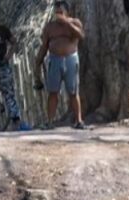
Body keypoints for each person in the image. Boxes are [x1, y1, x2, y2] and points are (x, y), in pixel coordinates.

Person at [35, 1, 87, 130]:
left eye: (61, 12)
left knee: (73, 91)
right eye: (57, 12)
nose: (59, 14)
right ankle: (50, 121)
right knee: (53, 92)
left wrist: (67, 22)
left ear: (67, 12)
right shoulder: (49, 27)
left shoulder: (75, 23)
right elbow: (44, 46)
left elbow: (81, 36)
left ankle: (79, 121)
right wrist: (38, 61)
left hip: (71, 59)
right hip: (54, 60)